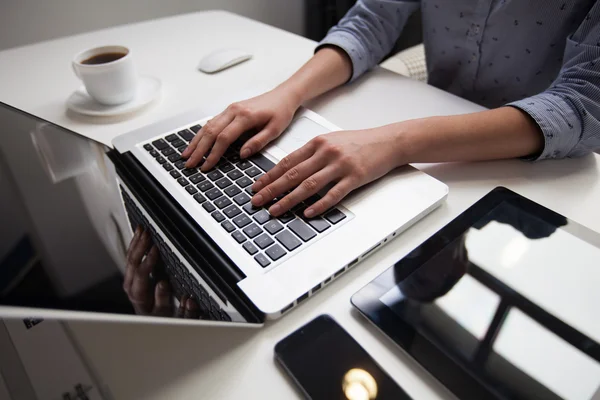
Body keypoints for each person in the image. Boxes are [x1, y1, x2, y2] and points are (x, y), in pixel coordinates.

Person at [183, 0, 600, 219]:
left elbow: (582, 103)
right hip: (432, 154)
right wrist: (286, 94)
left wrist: (394, 142)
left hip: (540, 178)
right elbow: (371, 20)